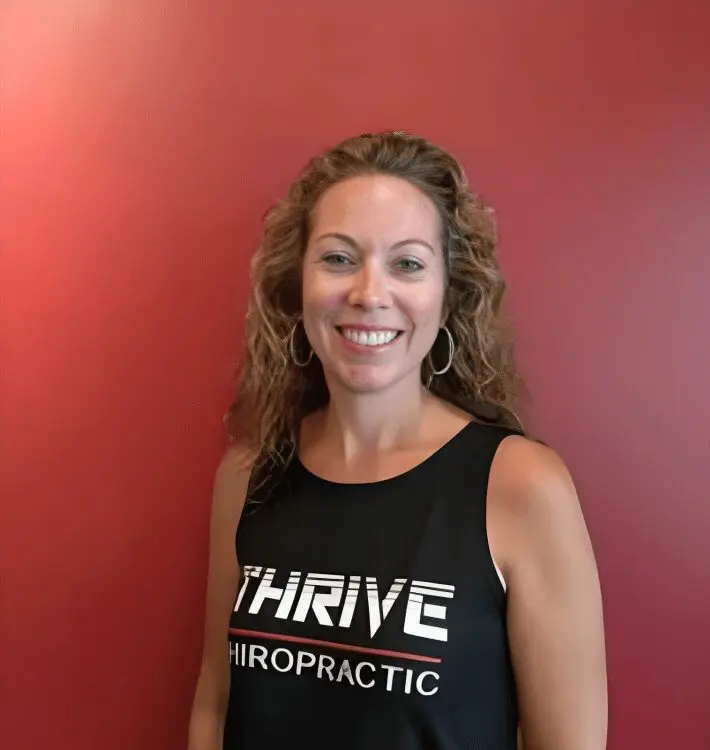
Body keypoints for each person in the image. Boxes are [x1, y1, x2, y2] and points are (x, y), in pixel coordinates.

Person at [187, 131, 608, 750]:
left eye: (407, 263)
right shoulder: (249, 474)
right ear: (295, 281)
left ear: (447, 293)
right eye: (337, 258)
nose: (368, 293)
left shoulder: (520, 486)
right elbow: (215, 707)